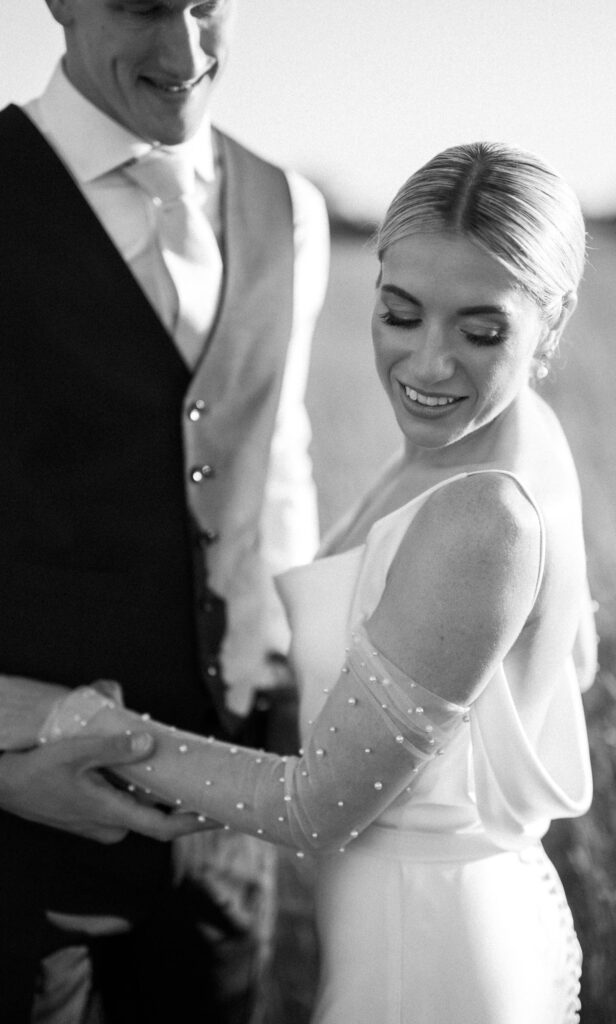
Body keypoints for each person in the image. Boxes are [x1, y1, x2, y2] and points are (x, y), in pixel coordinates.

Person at [37, 142, 597, 1024]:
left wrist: (73, 721)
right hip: (456, 901)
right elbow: (575, 659)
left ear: (551, 324)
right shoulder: (515, 435)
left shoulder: (481, 514)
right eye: (399, 315)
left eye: (480, 331)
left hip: (424, 944)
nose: (427, 365)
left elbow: (313, 808)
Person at [0, 0, 328, 1021]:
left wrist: (301, 714)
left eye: (204, 5)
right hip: (16, 845)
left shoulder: (292, 210)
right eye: (143, 5)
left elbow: (277, 474)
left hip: (225, 842)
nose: (184, 52)